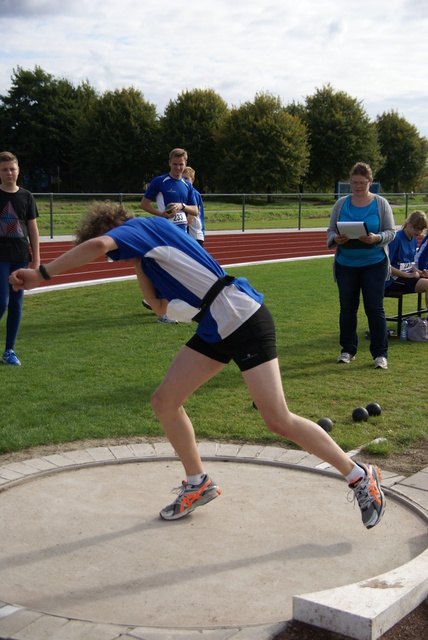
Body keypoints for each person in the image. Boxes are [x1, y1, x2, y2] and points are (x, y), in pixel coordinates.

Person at [10, 201, 386, 529]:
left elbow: (98, 245)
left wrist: (41, 275)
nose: (114, 256)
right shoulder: (150, 251)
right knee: (164, 401)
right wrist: (138, 263)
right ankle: (198, 483)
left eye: (117, 253)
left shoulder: (137, 227)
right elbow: (158, 307)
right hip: (215, 326)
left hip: (241, 316)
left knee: (277, 418)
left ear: (113, 228)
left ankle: (360, 477)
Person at [327, 162, 396, 370]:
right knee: (347, 309)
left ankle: (380, 354)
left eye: (362, 183)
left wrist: (377, 237)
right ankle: (348, 350)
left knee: (375, 309)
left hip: (374, 264)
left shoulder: (381, 204)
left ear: (370, 182)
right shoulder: (341, 204)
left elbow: (391, 232)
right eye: (354, 182)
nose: (357, 186)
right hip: (346, 264)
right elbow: (330, 230)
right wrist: (336, 239)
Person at [141, 148, 198, 323]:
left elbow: (195, 210)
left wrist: (182, 206)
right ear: (169, 163)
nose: (178, 167)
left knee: (178, 271)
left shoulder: (187, 185)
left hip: (181, 235)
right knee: (165, 270)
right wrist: (162, 215)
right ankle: (163, 312)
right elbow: (144, 204)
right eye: (175, 164)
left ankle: (167, 307)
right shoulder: (160, 181)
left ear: (185, 164)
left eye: (181, 164)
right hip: (164, 232)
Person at [0, 151, 40, 366]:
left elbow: (33, 229)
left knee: (16, 304)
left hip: (21, 256)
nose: (9, 173)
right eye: (4, 169)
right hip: (0, 257)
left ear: (18, 170)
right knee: (1, 301)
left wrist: (37, 260)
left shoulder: (26, 196)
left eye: (12, 168)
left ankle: (9, 350)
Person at [385, 210, 428, 307]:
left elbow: (409, 264)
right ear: (408, 223)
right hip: (393, 279)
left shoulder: (413, 239)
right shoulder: (396, 238)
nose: (419, 232)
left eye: (421, 230)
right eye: (416, 228)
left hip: (406, 277)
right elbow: (387, 266)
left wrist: (421, 273)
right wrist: (407, 275)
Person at [182, 166, 205, 246]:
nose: (184, 181)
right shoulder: (182, 193)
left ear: (192, 179)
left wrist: (179, 229)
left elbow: (191, 217)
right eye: (182, 178)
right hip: (186, 234)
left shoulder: (194, 194)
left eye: (186, 178)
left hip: (194, 235)